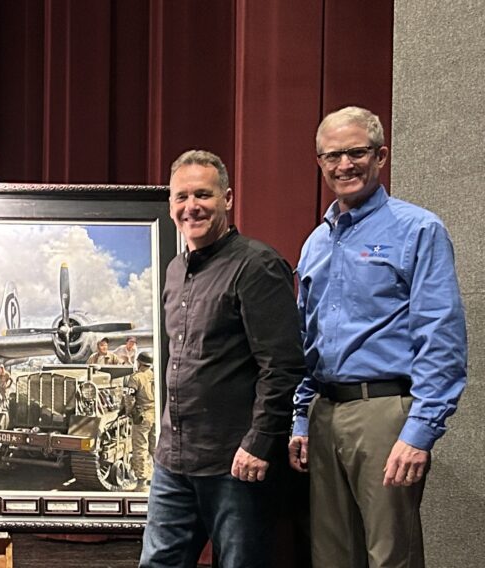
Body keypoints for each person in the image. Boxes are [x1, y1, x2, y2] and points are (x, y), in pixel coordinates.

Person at [288, 107, 467, 568]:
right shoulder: (315, 244)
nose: (344, 164)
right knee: (331, 556)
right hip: (325, 412)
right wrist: (302, 419)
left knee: (391, 557)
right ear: (320, 163)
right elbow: (307, 342)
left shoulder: (418, 230)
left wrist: (420, 432)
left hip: (385, 413)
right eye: (332, 155)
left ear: (380, 155)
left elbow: (441, 338)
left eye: (356, 152)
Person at [140, 150, 305, 568]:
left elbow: (283, 366)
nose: (190, 206)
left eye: (202, 195)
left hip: (236, 463)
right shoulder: (175, 269)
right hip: (174, 461)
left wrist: (259, 443)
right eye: (180, 197)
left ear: (227, 199)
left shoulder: (257, 265)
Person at [124, 352, 155, 491]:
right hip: (154, 413)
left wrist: (128, 411)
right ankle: (158, 477)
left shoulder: (136, 378)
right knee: (155, 448)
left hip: (142, 415)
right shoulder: (153, 375)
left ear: (139, 362)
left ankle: (142, 482)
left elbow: (130, 397)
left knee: (140, 448)